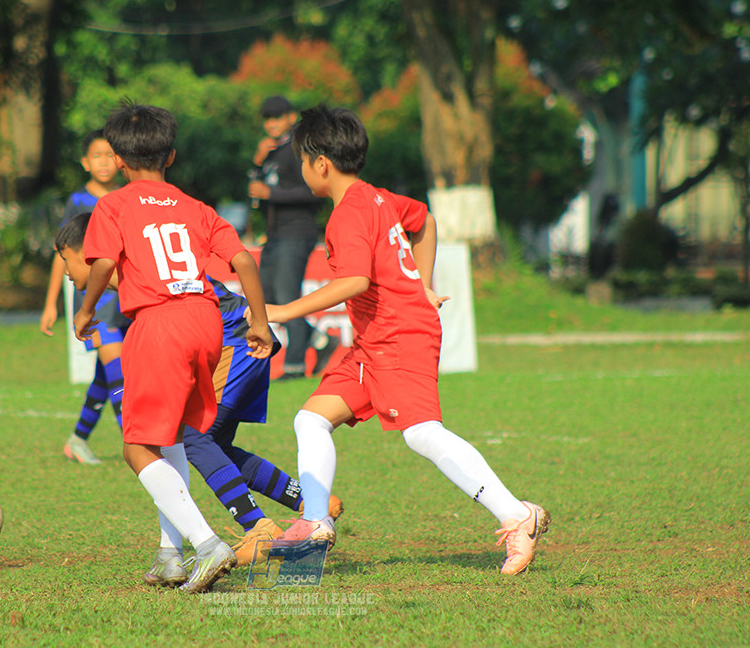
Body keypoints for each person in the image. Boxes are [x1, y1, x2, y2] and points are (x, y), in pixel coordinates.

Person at [263, 105, 550, 576]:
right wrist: (423, 284)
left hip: (400, 336)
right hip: (373, 342)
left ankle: (518, 515)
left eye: (300, 161)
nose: (299, 170)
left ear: (320, 164)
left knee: (421, 434)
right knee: (311, 419)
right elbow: (427, 221)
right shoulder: (377, 198)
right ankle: (315, 522)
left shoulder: (349, 213)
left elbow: (354, 281)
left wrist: (282, 311)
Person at [55, 212, 344, 568]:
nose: (66, 272)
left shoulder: (133, 271)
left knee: (191, 437)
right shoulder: (138, 268)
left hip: (235, 342)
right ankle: (309, 502)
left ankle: (257, 527)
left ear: (87, 252)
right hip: (234, 342)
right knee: (214, 445)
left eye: (65, 259)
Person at [74, 102, 274, 594]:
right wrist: (261, 323)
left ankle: (207, 544)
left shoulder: (113, 205)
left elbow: (100, 266)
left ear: (119, 160)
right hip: (205, 322)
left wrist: (85, 310)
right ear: (173, 155)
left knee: (136, 445)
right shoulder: (195, 207)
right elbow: (244, 260)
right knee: (175, 436)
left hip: (158, 325)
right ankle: (170, 555)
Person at [40, 129, 128, 465]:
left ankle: (77, 439)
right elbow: (60, 252)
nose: (104, 162)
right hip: (96, 301)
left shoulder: (127, 197)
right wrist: (51, 304)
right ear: (84, 162)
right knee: (120, 371)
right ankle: (137, 445)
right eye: (97, 156)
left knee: (107, 374)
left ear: (120, 160)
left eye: (110, 155)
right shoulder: (78, 202)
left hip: (123, 296)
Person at [248, 95, 339, 379]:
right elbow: (254, 190)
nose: (272, 123)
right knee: (267, 299)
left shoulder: (298, 150)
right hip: (274, 236)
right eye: (267, 118)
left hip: (296, 232)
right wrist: (257, 161)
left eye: (277, 117)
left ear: (290, 118)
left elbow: (314, 191)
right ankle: (322, 342)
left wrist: (271, 194)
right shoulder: (272, 152)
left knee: (287, 297)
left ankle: (295, 367)